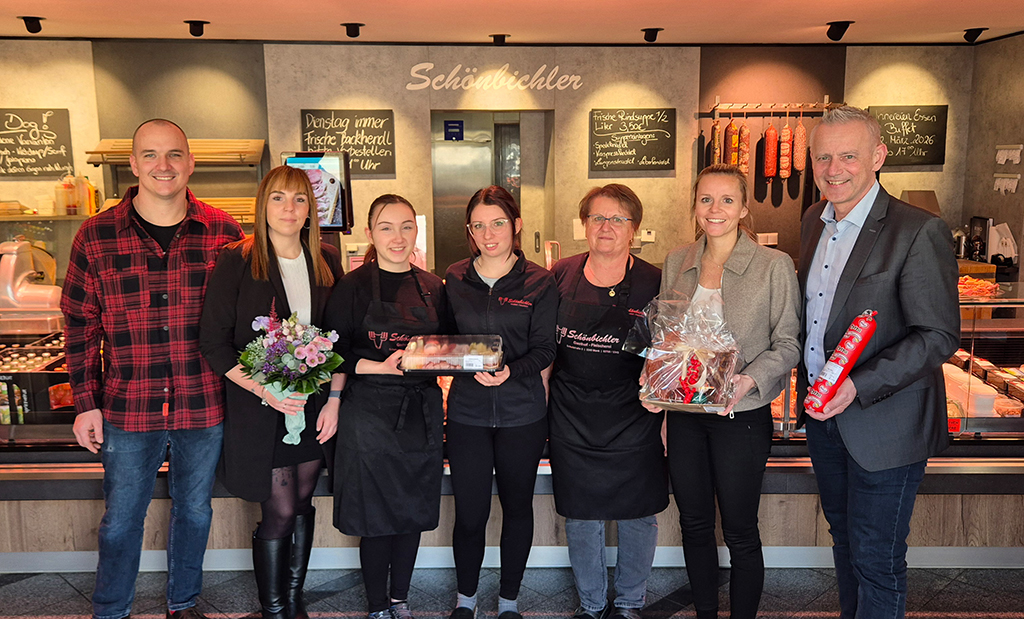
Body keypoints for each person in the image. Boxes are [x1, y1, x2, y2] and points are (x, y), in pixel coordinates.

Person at [60, 119, 244, 619]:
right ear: (134, 164)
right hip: (127, 405)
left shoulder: (224, 232)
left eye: (174, 154)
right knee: (121, 519)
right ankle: (111, 609)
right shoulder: (96, 234)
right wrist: (85, 403)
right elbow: (79, 325)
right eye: (150, 154)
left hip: (204, 403)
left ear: (191, 163)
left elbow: (245, 320)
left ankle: (183, 603)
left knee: (195, 512)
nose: (163, 165)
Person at [798, 105, 959, 618]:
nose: (834, 169)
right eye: (823, 157)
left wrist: (858, 385)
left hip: (886, 423)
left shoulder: (918, 230)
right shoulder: (813, 221)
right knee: (845, 541)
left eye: (848, 156)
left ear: (878, 157)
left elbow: (937, 335)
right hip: (824, 420)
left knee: (876, 557)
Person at [199, 166, 343, 619]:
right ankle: (275, 609)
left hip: (311, 404)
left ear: (311, 209)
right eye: (278, 197)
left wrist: (333, 399)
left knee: (302, 502)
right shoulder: (238, 260)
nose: (289, 208)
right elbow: (213, 342)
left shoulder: (325, 258)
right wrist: (267, 391)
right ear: (263, 205)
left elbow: (340, 333)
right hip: (260, 408)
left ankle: (294, 599)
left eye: (299, 199)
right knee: (279, 510)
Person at [659, 164, 801, 619]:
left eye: (726, 200)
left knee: (740, 530)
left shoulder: (773, 266)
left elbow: (789, 344)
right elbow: (667, 338)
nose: (714, 209)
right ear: (695, 206)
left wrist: (749, 379)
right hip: (685, 415)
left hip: (742, 416)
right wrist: (657, 386)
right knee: (694, 524)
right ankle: (705, 612)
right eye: (705, 199)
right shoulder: (676, 261)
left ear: (743, 208)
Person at [321, 195, 447, 619]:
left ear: (416, 231)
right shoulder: (352, 286)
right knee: (374, 514)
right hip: (368, 413)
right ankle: (378, 605)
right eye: (387, 227)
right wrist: (379, 367)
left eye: (406, 226)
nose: (398, 237)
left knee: (411, 510)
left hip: (420, 413)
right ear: (370, 233)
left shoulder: (433, 287)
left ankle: (400, 599)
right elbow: (332, 353)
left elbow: (448, 346)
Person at [547, 184, 668, 619]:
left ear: (634, 229)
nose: (606, 227)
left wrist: (665, 414)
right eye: (597, 217)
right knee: (581, 514)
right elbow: (545, 348)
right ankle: (592, 604)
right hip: (571, 411)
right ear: (584, 225)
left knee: (639, 512)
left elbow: (669, 350)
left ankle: (630, 602)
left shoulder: (655, 280)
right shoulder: (561, 274)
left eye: (618, 219)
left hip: (635, 411)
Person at [444, 186, 559, 619]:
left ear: (516, 226)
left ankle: (509, 601)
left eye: (497, 224)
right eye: (479, 226)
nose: (488, 234)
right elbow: (446, 341)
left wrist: (512, 371)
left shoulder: (539, 281)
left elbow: (546, 348)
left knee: (517, 509)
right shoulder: (455, 277)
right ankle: (466, 599)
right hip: (467, 413)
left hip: (522, 414)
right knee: (470, 513)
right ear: (469, 230)